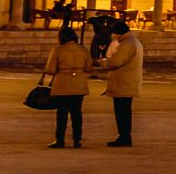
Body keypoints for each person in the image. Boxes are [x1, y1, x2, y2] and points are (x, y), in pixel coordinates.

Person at [93, 18, 144, 147]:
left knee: (122, 112)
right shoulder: (133, 41)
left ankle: (124, 137)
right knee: (124, 111)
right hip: (128, 81)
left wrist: (103, 62)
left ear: (118, 33)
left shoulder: (127, 43)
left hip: (123, 83)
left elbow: (116, 62)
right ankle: (124, 136)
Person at [45, 25, 92, 148]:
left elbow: (50, 70)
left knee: (62, 114)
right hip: (79, 85)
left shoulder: (58, 50)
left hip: (62, 85)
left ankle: (60, 140)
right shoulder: (83, 50)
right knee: (77, 114)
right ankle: (77, 140)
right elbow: (88, 68)